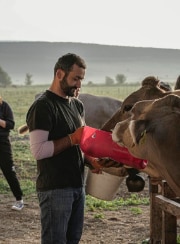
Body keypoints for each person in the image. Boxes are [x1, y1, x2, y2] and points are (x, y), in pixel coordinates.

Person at [26, 53, 89, 244]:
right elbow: (38, 151)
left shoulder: (77, 105)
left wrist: (90, 160)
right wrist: (71, 139)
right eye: (75, 78)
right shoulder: (43, 106)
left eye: (81, 79)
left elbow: (80, 143)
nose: (79, 85)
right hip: (55, 190)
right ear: (59, 74)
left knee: (73, 239)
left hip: (78, 186)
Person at [0, 95, 24, 210]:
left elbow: (11, 124)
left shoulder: (4, 106)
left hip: (2, 144)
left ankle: (19, 200)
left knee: (9, 171)